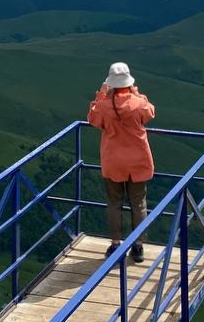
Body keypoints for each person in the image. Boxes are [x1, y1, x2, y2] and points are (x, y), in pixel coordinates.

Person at [87, 61, 156, 263]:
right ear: (128, 82)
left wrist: (100, 96)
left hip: (113, 160)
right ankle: (138, 246)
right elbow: (150, 112)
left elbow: (93, 119)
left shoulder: (103, 106)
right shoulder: (138, 103)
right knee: (139, 203)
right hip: (138, 160)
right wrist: (136, 94)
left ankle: (116, 244)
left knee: (114, 203)